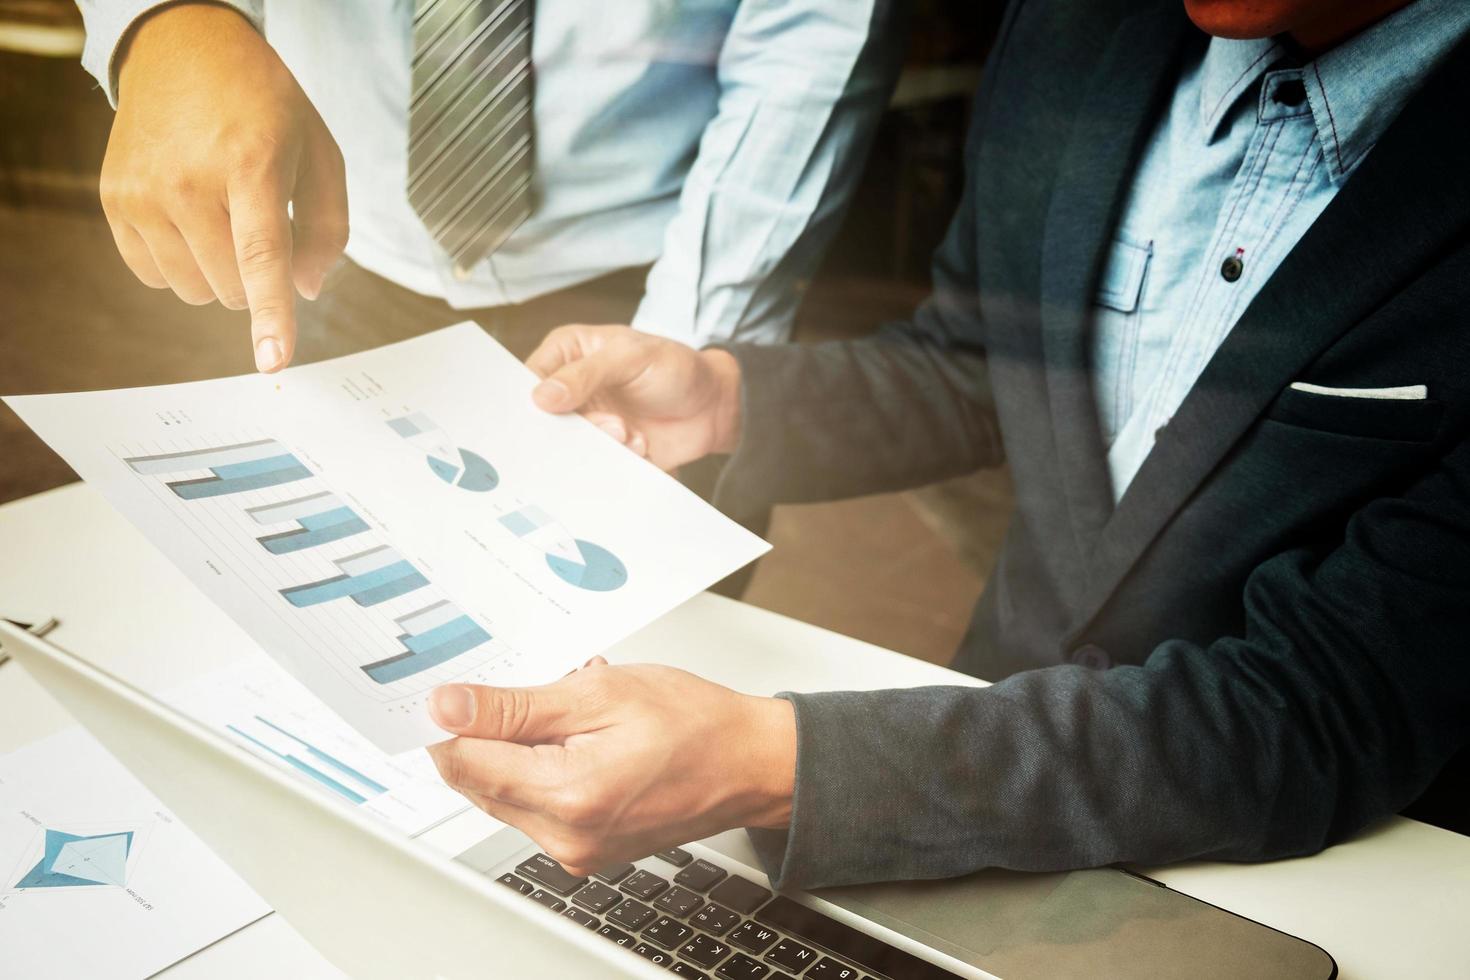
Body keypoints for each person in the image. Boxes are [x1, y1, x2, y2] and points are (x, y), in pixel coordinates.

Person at [419, 0, 1470, 889]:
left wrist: (786, 761)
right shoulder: (1079, 25)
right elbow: (989, 357)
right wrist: (733, 398)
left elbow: (1329, 701)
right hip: (970, 767)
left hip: (1314, 873)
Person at [76, 1, 903, 369]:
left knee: (636, 680)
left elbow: (814, 31)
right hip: (346, 244)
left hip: (664, 262)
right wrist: (167, 19)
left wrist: (691, 338)